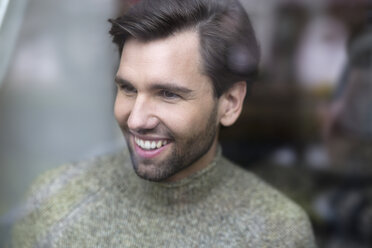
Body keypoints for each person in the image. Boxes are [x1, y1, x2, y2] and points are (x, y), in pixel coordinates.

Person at [11, 0, 316, 247]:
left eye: (168, 94)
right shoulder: (55, 201)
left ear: (230, 103)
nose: (136, 119)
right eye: (128, 88)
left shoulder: (277, 232)